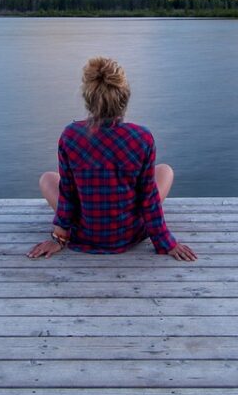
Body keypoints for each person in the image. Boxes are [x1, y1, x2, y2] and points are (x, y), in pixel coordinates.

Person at [28, 56, 197, 261]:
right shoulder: (141, 138)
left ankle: (72, 230)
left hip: (84, 233)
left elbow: (68, 194)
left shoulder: (70, 136)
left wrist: (59, 238)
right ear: (124, 97)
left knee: (47, 178)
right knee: (165, 171)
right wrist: (166, 243)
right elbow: (149, 198)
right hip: (128, 234)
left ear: (88, 99)